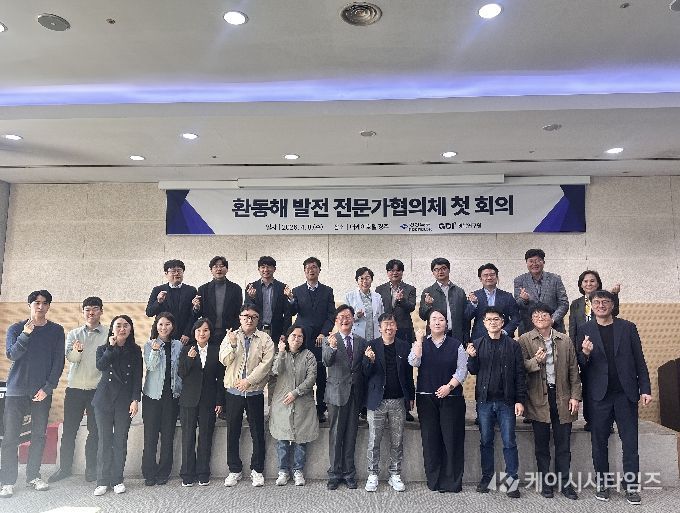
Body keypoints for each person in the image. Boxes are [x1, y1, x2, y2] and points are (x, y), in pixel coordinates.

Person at [577, 290, 652, 505]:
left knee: (630, 443)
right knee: (599, 442)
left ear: (613, 305)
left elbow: (639, 360)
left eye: (605, 302)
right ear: (591, 305)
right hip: (598, 396)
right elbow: (580, 365)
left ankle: (631, 487)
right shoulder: (584, 330)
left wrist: (645, 389)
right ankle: (603, 484)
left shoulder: (628, 327)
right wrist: (586, 353)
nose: (601, 305)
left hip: (625, 394)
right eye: (596, 302)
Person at [0, 290, 65, 499]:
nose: (40, 306)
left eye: (45, 303)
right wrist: (26, 334)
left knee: (38, 435)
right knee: (11, 437)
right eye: (36, 302)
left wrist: (48, 388)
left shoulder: (56, 331)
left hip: (41, 392)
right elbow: (12, 354)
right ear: (30, 305)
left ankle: (33, 476)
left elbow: (58, 362)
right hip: (16, 391)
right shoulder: (16, 328)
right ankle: (7, 481)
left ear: (49, 306)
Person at [518, 304, 581, 500]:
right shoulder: (524, 339)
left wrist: (575, 396)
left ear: (551, 317)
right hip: (538, 398)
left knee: (563, 445)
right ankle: (546, 483)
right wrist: (535, 361)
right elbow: (520, 367)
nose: (540, 317)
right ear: (531, 319)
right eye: (536, 315)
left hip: (562, 397)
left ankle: (565, 484)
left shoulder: (564, 340)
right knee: (542, 445)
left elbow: (574, 370)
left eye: (544, 314)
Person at [467, 306, 527, 499]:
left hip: (506, 402)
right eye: (489, 320)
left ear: (502, 322)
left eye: (496, 319)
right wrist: (471, 357)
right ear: (484, 323)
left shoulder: (513, 345)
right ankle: (487, 478)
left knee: (509, 442)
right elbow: (473, 370)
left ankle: (512, 482)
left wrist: (519, 400)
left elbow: (520, 374)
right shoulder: (477, 343)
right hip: (484, 402)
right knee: (486, 441)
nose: (493, 322)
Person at [408, 310, 467, 493]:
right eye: (433, 319)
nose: (437, 322)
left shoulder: (456, 345)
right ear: (428, 323)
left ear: (446, 324)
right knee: (430, 440)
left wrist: (449, 386)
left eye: (441, 319)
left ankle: (451, 482)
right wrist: (419, 341)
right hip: (426, 398)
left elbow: (462, 370)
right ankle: (434, 481)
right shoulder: (421, 343)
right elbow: (414, 362)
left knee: (451, 439)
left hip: (451, 398)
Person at [49, 297, 106, 484]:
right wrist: (78, 351)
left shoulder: (108, 334)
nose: (91, 313)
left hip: (97, 389)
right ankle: (64, 468)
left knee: (94, 431)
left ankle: (91, 469)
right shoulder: (74, 334)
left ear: (101, 311)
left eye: (95, 309)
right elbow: (71, 359)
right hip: (74, 389)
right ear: (83, 312)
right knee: (69, 430)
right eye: (87, 309)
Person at [220, 305, 274, 488]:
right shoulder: (230, 336)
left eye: (253, 316)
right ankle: (234, 470)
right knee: (232, 431)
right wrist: (233, 344)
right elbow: (224, 360)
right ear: (240, 317)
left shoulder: (265, 338)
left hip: (254, 392)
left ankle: (257, 470)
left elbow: (266, 364)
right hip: (233, 392)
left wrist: (249, 381)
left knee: (257, 432)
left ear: (258, 319)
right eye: (246, 316)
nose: (249, 319)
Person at [91, 315, 143, 496]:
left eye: (126, 325)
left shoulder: (135, 350)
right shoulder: (103, 348)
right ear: (112, 329)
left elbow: (137, 376)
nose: (122, 329)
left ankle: (117, 480)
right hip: (103, 400)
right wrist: (111, 347)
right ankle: (102, 481)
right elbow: (101, 366)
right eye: (118, 325)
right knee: (104, 440)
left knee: (120, 440)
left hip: (124, 401)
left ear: (130, 329)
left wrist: (135, 399)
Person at [363, 313, 414, 492]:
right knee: (374, 440)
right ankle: (372, 474)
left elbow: (408, 374)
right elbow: (365, 373)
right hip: (377, 401)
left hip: (398, 401)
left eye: (391, 324)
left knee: (397, 440)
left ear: (396, 327)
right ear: (380, 328)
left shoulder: (404, 346)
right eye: (385, 324)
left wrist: (411, 396)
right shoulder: (371, 345)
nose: (389, 327)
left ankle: (395, 474)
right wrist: (369, 361)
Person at [568, 270, 620, 431]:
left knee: (605, 383)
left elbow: (614, 312)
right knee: (587, 384)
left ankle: (607, 422)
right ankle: (590, 420)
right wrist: (574, 351)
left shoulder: (604, 300)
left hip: (603, 345)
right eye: (585, 281)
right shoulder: (576, 304)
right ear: (581, 284)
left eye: (592, 281)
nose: (589, 284)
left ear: (598, 284)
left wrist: (615, 295)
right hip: (583, 348)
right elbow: (573, 328)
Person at [322, 304, 367, 490]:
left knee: (351, 434)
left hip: (355, 394)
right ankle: (334, 473)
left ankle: (349, 473)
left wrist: (370, 359)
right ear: (336, 321)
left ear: (353, 319)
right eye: (341, 317)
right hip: (336, 394)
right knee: (336, 434)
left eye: (348, 316)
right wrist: (332, 348)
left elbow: (363, 368)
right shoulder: (329, 340)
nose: (345, 320)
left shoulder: (361, 341)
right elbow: (326, 361)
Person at [178, 317, 225, 487]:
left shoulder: (216, 350)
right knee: (188, 436)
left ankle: (203, 472)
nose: (202, 333)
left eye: (205, 330)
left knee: (205, 436)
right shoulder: (186, 349)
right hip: (188, 399)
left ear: (210, 332)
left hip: (208, 400)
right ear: (194, 332)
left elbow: (220, 378)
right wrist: (190, 359)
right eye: (199, 330)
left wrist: (220, 401)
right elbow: (181, 373)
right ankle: (187, 473)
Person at [287, 256, 335, 422]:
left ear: (319, 270)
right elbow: (293, 312)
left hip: (320, 339)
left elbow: (331, 315)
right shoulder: (297, 291)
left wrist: (324, 333)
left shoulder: (327, 291)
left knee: (321, 375)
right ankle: (302, 408)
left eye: (314, 267)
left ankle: (321, 409)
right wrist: (290, 299)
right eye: (307, 268)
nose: (311, 270)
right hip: (303, 339)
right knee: (302, 373)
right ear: (304, 271)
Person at [269, 326, 318, 487]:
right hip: (282, 401)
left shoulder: (308, 355)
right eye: (293, 335)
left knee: (301, 439)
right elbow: (276, 370)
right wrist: (282, 352)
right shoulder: (280, 354)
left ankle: (298, 471)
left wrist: (296, 392)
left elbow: (311, 378)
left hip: (302, 401)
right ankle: (283, 471)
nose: (296, 339)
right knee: (282, 439)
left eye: (300, 336)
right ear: (287, 337)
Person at [141, 313, 183, 486]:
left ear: (172, 326)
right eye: (160, 324)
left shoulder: (178, 345)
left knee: (167, 436)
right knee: (150, 436)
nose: (164, 327)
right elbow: (151, 366)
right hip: (152, 396)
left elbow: (181, 369)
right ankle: (149, 473)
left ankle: (164, 472)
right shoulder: (149, 344)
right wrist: (155, 351)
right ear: (156, 326)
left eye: (167, 324)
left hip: (171, 396)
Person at [375, 259, 418, 421]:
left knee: (405, 369)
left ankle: (406, 407)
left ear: (402, 272)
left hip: (403, 333)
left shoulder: (410, 289)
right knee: (386, 367)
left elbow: (411, 307)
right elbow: (380, 311)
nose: (395, 273)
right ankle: (383, 405)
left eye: (398, 270)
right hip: (385, 333)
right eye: (391, 270)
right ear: (387, 273)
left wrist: (401, 300)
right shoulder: (379, 289)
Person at [513, 249, 569, 335]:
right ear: (526, 263)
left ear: (543, 262)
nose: (534, 264)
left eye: (538, 261)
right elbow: (517, 305)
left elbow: (563, 303)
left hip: (554, 328)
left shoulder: (555, 279)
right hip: (528, 329)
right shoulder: (519, 280)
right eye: (531, 261)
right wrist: (524, 300)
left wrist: (552, 320)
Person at [193, 256, 243, 346]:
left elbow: (238, 312)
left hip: (229, 331)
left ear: (227, 269)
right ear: (211, 270)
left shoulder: (235, 289)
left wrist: (235, 330)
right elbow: (198, 314)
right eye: (215, 266)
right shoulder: (203, 289)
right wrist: (196, 307)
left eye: (222, 266)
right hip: (209, 332)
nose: (219, 269)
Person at [146, 259, 199, 344]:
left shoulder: (191, 290)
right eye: (173, 271)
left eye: (179, 271)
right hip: (162, 335)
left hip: (183, 337)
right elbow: (149, 312)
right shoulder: (158, 290)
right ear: (166, 274)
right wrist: (158, 302)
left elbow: (193, 316)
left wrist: (187, 333)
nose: (177, 273)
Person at [244, 255, 292, 345]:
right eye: (263, 267)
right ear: (258, 269)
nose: (266, 270)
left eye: (269, 267)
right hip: (256, 330)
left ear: (274, 269)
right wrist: (252, 298)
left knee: (275, 353)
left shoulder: (282, 287)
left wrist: (285, 333)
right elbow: (246, 310)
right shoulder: (251, 287)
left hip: (276, 332)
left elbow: (287, 313)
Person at [419, 258, 468, 343]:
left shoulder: (459, 291)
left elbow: (465, 317)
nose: (440, 272)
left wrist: (466, 338)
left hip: (456, 335)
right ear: (433, 272)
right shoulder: (428, 291)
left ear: (449, 270)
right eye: (436, 269)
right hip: (436, 335)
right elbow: (422, 316)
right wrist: (428, 305)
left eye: (443, 268)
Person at [466, 263, 520, 340]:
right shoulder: (474, 296)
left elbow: (516, 317)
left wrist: (505, 331)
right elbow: (466, 317)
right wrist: (473, 304)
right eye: (485, 275)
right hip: (480, 339)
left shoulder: (507, 296)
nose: (489, 277)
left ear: (497, 277)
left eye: (492, 275)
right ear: (480, 279)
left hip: (503, 338)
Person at [345, 267, 385, 343]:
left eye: (367, 278)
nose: (365, 281)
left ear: (371, 280)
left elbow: (382, 317)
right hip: (357, 335)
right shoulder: (349, 296)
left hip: (375, 335)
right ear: (357, 281)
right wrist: (356, 316)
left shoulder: (378, 296)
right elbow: (345, 319)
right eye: (361, 278)